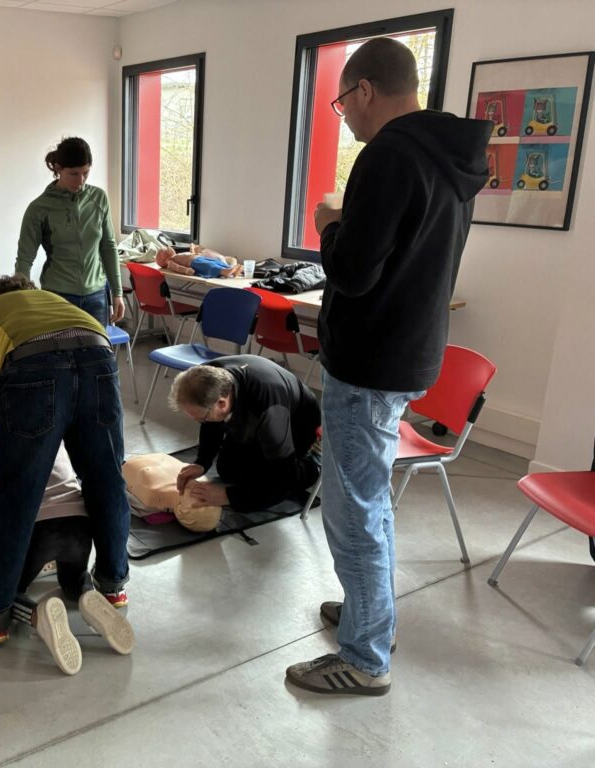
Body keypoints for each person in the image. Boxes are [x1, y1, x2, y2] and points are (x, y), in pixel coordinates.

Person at [284, 38, 490, 696]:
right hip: (410, 351)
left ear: (366, 90)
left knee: (352, 512)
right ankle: (371, 615)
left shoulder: (387, 155)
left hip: (370, 360)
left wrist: (329, 222)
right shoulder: (450, 156)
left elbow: (352, 271)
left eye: (342, 102)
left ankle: (365, 658)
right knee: (368, 503)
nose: (344, 115)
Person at [0, 274, 131, 646]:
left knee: (14, 497)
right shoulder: (54, 300)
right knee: (107, 478)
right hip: (98, 354)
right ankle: (113, 586)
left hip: (33, 364)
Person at [0, 443, 135, 675]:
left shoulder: (6, 439)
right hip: (78, 524)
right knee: (73, 578)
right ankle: (87, 594)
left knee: (9, 591)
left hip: (38, 530)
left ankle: (37, 615)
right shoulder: (55, 434)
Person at [169, 356, 321, 511]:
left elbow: (282, 474)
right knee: (228, 470)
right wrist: (202, 462)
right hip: (253, 410)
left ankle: (311, 468)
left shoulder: (269, 410)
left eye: (202, 418)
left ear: (222, 403)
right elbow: (210, 423)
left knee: (267, 485)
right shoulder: (204, 377)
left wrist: (227, 496)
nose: (200, 422)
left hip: (298, 426)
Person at [15, 137, 124, 326]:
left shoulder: (99, 199)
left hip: (96, 297)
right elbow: (25, 259)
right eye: (73, 174)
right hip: (58, 297)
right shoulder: (39, 208)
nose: (80, 181)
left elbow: (108, 247)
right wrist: (22, 301)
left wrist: (118, 292)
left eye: (85, 173)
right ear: (58, 169)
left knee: (98, 346)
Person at [155, 245, 243, 278]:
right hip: (194, 263)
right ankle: (224, 272)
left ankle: (231, 270)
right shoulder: (171, 261)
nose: (169, 247)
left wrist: (193, 249)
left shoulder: (176, 256)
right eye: (166, 248)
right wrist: (186, 270)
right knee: (209, 266)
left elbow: (190, 255)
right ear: (163, 257)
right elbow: (177, 268)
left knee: (215, 262)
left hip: (198, 258)